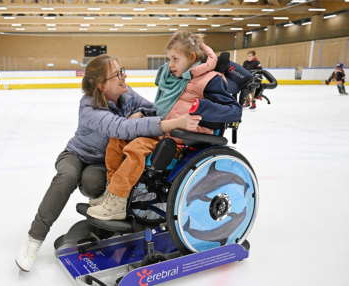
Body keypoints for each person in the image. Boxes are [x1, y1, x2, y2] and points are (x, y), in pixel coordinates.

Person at [15, 54, 199, 273]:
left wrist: (140, 113)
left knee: (93, 182)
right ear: (102, 86)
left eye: (122, 70)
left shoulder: (127, 94)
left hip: (101, 162)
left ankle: (108, 215)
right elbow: (121, 128)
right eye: (118, 74)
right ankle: (34, 239)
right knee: (66, 178)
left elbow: (153, 108)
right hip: (77, 155)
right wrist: (172, 123)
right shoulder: (88, 108)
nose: (125, 76)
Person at [86, 32, 242, 221]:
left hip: (183, 142)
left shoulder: (210, 80)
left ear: (191, 58)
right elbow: (164, 111)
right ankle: (113, 193)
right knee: (118, 139)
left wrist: (201, 107)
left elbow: (234, 111)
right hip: (165, 135)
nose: (170, 64)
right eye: (169, 59)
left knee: (137, 147)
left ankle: (118, 200)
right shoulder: (178, 80)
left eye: (175, 59)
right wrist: (144, 114)